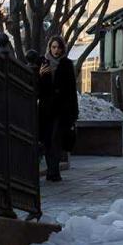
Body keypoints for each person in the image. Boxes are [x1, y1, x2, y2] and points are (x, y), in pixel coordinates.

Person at [38, 35, 79, 182]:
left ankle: (54, 172)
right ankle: (51, 170)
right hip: (46, 110)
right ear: (49, 47)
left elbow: (71, 90)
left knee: (56, 139)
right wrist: (41, 75)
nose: (56, 50)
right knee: (47, 140)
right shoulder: (43, 63)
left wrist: (74, 112)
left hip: (62, 110)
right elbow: (38, 90)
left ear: (62, 49)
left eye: (58, 47)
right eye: (53, 47)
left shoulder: (66, 64)